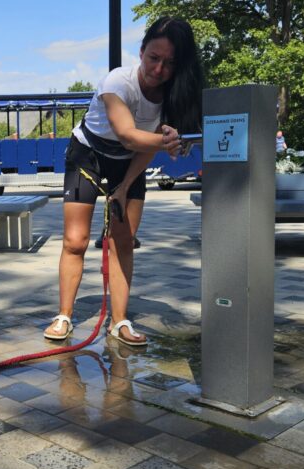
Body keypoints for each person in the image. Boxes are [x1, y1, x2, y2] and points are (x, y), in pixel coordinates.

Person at [44, 17, 204, 346]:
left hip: (129, 163)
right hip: (87, 155)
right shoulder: (118, 82)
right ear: (142, 51)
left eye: (170, 63)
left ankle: (119, 322)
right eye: (153, 58)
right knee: (76, 240)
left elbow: (140, 153)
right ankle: (64, 316)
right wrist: (165, 141)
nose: (159, 70)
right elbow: (129, 136)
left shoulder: (175, 96)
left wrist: (124, 185)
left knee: (123, 241)